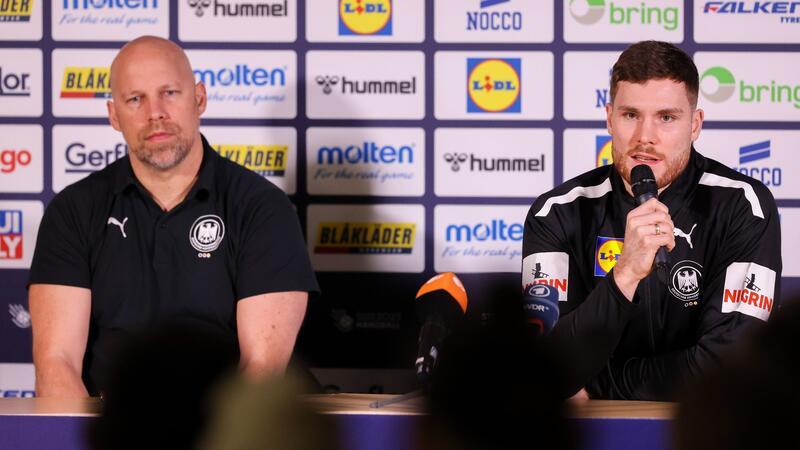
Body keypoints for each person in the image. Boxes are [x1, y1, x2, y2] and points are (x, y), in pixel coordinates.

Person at [28, 36, 319, 397]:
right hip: (117, 433)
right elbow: (57, 364)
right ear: (114, 116)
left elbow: (261, 371)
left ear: (199, 98)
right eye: (135, 99)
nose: (155, 113)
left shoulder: (261, 208)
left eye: (169, 93)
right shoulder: (72, 211)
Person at [521, 40, 781, 400]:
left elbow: (727, 364)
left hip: (703, 429)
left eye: (667, 117)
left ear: (695, 124)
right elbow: (550, 367)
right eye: (631, 115)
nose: (646, 137)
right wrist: (625, 273)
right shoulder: (557, 212)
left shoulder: (743, 205)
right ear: (609, 118)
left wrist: (598, 386)